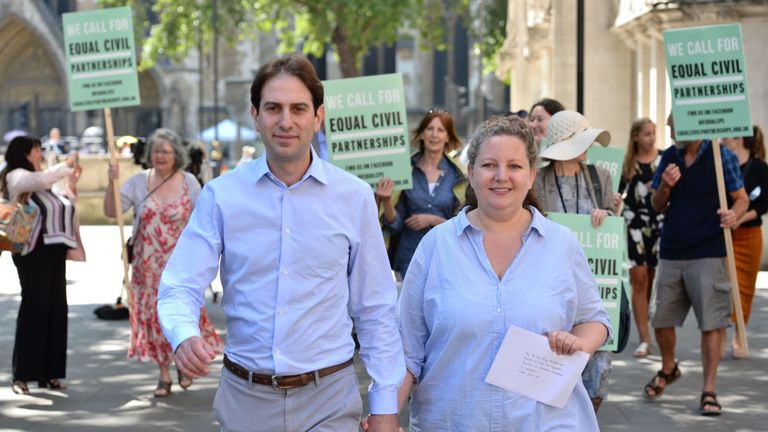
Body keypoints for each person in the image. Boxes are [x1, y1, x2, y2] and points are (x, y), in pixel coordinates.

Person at [157, 54, 404, 432]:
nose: (285, 121)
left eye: (298, 109)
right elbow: (179, 283)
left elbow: (375, 307)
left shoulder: (353, 197)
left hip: (330, 398)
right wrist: (183, 334)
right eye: (273, 108)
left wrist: (385, 405)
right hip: (246, 398)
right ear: (255, 116)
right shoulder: (222, 196)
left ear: (318, 117)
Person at [395, 115, 610, 431]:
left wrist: (577, 343)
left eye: (514, 166)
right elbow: (406, 350)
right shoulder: (436, 247)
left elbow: (596, 321)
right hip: (452, 422)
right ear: (470, 173)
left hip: (545, 422)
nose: (501, 176)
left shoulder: (561, 243)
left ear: (531, 175)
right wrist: (384, 417)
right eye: (489, 165)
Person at [103, 128, 223, 398]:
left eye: (166, 152)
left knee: (184, 315)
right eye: (156, 151)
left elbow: (204, 221)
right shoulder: (137, 182)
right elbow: (112, 211)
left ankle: (183, 361)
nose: (160, 156)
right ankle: (163, 374)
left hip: (181, 266)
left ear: (176, 155)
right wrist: (111, 183)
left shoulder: (190, 182)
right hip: (147, 267)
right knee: (154, 319)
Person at [644, 113, 748, 416]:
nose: (670, 129)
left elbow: (741, 199)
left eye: (674, 125)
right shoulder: (670, 157)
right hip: (673, 249)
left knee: (712, 323)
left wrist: (735, 215)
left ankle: (709, 389)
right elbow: (657, 204)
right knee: (661, 319)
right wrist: (665, 186)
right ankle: (669, 367)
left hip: (709, 250)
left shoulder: (721, 155)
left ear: (694, 124)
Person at [533, 110, 615, 412]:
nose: (588, 147)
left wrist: (607, 215)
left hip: (596, 288)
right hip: (553, 287)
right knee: (555, 363)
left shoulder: (600, 177)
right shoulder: (538, 181)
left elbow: (614, 228)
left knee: (597, 369)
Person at [1, 135, 82, 395]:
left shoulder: (44, 181)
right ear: (26, 153)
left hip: (54, 249)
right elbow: (39, 180)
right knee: (34, 308)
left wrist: (71, 181)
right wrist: (64, 166)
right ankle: (22, 374)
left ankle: (51, 373)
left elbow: (65, 200)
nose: (40, 153)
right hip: (32, 250)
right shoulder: (17, 176)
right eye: (37, 149)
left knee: (57, 309)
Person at [377, 109, 467, 276]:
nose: (434, 135)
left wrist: (434, 220)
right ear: (422, 134)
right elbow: (395, 225)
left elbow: (464, 224)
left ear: (447, 137)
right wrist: (387, 201)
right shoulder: (405, 170)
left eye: (440, 130)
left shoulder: (459, 175)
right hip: (410, 257)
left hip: (445, 257)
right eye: (429, 129)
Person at [719, 125, 768, 359]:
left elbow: (762, 205)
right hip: (724, 234)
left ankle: (740, 335)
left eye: (726, 136)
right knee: (725, 287)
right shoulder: (722, 166)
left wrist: (740, 218)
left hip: (749, 234)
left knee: (745, 287)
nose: (722, 140)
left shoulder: (760, 168)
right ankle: (720, 334)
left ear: (739, 139)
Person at [619, 118, 663, 358]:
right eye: (646, 134)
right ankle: (645, 338)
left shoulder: (664, 159)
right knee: (639, 277)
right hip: (634, 222)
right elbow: (617, 194)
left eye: (654, 133)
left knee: (652, 277)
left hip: (659, 222)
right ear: (635, 136)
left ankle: (646, 325)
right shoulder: (627, 164)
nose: (651, 138)